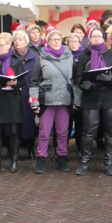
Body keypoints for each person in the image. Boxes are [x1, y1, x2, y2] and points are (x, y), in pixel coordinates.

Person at [73, 27, 112, 176]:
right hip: (91, 97)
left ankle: (109, 164)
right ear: (89, 39)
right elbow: (77, 77)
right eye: (93, 36)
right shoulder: (83, 56)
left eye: (99, 36)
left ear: (104, 38)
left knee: (110, 133)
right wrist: (83, 83)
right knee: (87, 133)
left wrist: (110, 78)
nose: (96, 39)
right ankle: (84, 163)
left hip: (111, 98)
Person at [29, 27, 73, 173]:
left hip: (64, 100)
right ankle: (41, 159)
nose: (56, 41)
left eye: (59, 39)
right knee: (44, 132)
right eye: (53, 39)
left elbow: (74, 80)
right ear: (47, 42)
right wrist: (34, 102)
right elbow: (34, 82)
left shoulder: (69, 56)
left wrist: (76, 100)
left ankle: (62, 157)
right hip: (47, 100)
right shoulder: (40, 58)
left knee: (63, 132)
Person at [0, 33, 24, 173]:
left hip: (12, 99)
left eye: (1, 45)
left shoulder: (17, 60)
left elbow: (22, 81)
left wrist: (15, 82)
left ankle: (14, 160)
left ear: (9, 45)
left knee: (14, 131)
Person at [12, 29, 39, 159]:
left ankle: (30, 148)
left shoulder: (34, 58)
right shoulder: (9, 57)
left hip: (28, 93)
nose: (17, 42)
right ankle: (13, 149)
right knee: (13, 123)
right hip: (12, 95)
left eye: (20, 39)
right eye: (15, 39)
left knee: (28, 122)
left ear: (26, 42)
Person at [67, 33, 85, 155]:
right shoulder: (64, 56)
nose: (73, 44)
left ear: (80, 43)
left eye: (75, 41)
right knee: (64, 125)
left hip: (81, 93)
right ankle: (61, 150)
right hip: (67, 93)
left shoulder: (84, 57)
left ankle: (81, 148)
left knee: (81, 124)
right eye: (70, 41)